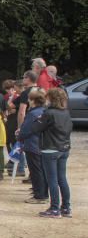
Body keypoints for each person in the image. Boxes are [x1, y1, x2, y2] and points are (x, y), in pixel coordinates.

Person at [28, 88, 72, 218]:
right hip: (64, 148)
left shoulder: (48, 113)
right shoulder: (66, 112)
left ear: (50, 99)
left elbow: (36, 128)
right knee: (62, 178)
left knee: (52, 179)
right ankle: (66, 207)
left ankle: (54, 208)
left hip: (50, 148)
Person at [16, 88, 48, 204]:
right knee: (42, 170)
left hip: (32, 144)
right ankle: (43, 193)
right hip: (43, 144)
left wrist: (19, 135)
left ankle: (39, 195)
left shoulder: (33, 113)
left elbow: (26, 130)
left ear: (33, 100)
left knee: (35, 171)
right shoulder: (45, 111)